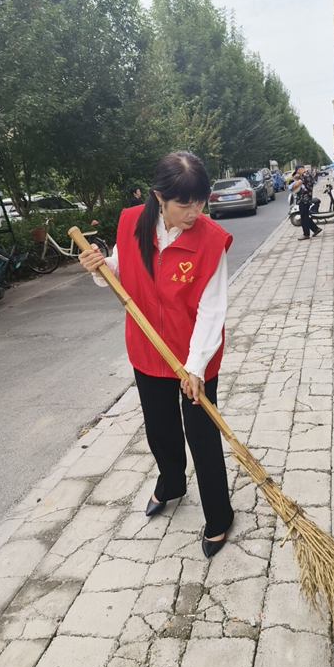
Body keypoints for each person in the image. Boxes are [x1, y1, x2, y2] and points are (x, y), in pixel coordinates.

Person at [79, 152, 234, 558]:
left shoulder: (211, 240)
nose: (195, 212)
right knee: (159, 429)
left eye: (200, 201)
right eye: (185, 203)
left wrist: (196, 366)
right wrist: (100, 265)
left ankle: (219, 514)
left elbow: (212, 308)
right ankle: (171, 483)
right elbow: (120, 268)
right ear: (159, 198)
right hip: (147, 351)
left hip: (193, 357)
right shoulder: (131, 222)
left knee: (202, 436)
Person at [290, 164, 322, 241]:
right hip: (307, 198)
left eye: (297, 171)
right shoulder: (309, 174)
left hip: (304, 199)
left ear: (300, 169)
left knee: (304, 217)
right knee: (305, 215)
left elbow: (297, 184)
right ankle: (316, 229)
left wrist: (292, 188)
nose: (298, 173)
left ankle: (306, 234)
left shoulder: (304, 175)